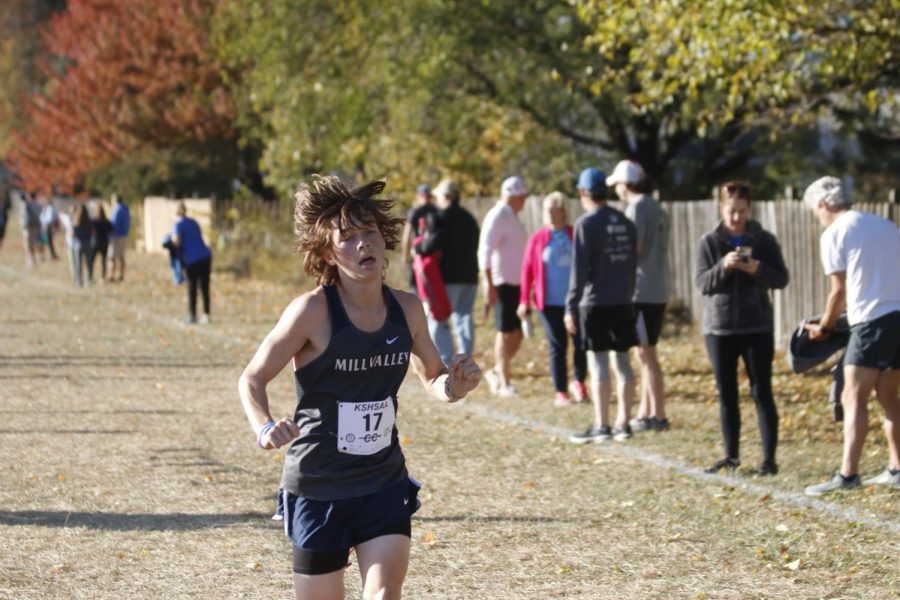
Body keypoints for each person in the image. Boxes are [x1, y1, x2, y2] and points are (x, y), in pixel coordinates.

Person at [237, 175, 481, 600]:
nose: (363, 244)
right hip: (318, 484)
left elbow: (434, 379)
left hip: (382, 480)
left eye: (370, 233)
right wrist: (264, 427)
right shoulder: (311, 312)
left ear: (384, 240)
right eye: (347, 238)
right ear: (327, 252)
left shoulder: (406, 308)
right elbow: (252, 378)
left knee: (384, 594)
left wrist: (456, 386)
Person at [801, 176, 900, 495]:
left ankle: (848, 475)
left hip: (871, 321)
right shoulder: (883, 224)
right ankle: (897, 468)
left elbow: (838, 291)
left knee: (852, 396)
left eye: (815, 211)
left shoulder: (835, 232)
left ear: (823, 204)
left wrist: (825, 328)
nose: (818, 217)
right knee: (888, 396)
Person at [695, 181, 789, 476]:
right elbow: (701, 284)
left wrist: (757, 269)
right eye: (732, 211)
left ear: (750, 210)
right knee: (727, 394)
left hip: (757, 326)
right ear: (722, 209)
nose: (737, 217)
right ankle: (731, 456)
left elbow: (781, 279)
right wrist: (723, 265)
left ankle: (769, 461)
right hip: (719, 329)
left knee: (762, 391)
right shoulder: (710, 242)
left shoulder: (764, 240)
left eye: (742, 211)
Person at [566, 168, 639, 443]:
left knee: (598, 364)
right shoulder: (625, 222)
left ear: (583, 192)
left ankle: (602, 424)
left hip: (595, 304)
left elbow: (579, 271)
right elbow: (633, 266)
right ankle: (623, 423)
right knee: (622, 361)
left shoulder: (586, 224)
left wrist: (570, 306)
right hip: (623, 302)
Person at [608, 160, 672, 432]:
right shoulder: (656, 206)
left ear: (626, 184)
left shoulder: (636, 208)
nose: (616, 190)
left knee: (646, 355)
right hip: (657, 288)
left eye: (618, 185)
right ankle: (646, 411)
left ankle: (657, 415)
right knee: (644, 352)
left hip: (643, 289)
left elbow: (635, 247)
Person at [516, 191, 588, 406]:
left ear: (561, 211)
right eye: (545, 210)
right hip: (547, 303)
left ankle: (579, 382)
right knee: (557, 345)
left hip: (574, 302)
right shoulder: (537, 239)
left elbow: (586, 265)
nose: (546, 214)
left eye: (550, 210)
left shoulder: (575, 234)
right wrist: (523, 301)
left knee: (580, 343)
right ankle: (561, 391)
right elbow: (527, 270)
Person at [413, 179, 480, 364]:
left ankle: (446, 360)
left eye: (439, 196)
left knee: (439, 317)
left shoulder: (442, 216)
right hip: (470, 276)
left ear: (446, 196)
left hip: (448, 278)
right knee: (464, 318)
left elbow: (435, 242)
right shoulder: (469, 217)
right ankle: (466, 359)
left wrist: (417, 248)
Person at [478, 176, 528, 397]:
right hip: (502, 282)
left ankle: (498, 371)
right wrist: (488, 283)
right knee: (504, 332)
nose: (524, 201)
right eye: (521, 197)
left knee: (517, 333)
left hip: (517, 283)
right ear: (513, 196)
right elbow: (485, 250)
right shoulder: (498, 215)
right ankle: (504, 383)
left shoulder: (513, 216)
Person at [172, 202, 213, 324]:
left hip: (192, 259)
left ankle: (192, 315)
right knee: (205, 287)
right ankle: (206, 314)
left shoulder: (178, 224)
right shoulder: (193, 222)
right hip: (205, 256)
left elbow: (176, 242)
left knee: (192, 287)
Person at [400, 184, 436, 291]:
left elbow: (407, 235)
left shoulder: (415, 211)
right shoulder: (435, 210)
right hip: (430, 255)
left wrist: (404, 255)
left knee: (416, 287)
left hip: (420, 254)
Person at [108, 194, 130, 282]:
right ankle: (121, 275)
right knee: (121, 256)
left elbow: (113, 224)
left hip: (116, 236)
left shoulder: (117, 209)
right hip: (124, 235)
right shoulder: (126, 209)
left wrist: (109, 236)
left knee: (111, 256)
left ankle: (111, 275)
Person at [72, 203, 94, 287]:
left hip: (78, 244)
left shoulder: (76, 221)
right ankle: (89, 280)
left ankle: (79, 281)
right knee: (89, 263)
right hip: (88, 243)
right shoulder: (90, 222)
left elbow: (73, 234)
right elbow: (92, 233)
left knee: (78, 263)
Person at [90, 204, 113, 283]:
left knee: (92, 261)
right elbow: (111, 230)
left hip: (95, 242)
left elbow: (91, 232)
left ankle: (90, 276)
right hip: (104, 242)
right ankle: (102, 277)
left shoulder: (94, 221)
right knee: (103, 261)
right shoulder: (106, 221)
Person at [19, 193, 41, 267]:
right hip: (35, 225)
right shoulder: (37, 205)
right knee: (33, 242)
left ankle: (30, 259)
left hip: (27, 226)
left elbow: (23, 216)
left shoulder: (26, 205)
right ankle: (33, 258)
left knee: (27, 243)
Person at [57, 205, 78, 284]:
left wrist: (65, 210)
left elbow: (60, 214)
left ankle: (75, 276)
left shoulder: (69, 219)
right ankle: (76, 276)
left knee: (73, 261)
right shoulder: (76, 219)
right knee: (76, 261)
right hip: (75, 243)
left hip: (72, 243)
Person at [38, 196, 59, 261]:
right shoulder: (46, 208)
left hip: (47, 227)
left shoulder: (51, 208)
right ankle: (47, 255)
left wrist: (43, 221)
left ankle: (50, 255)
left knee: (45, 242)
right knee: (46, 242)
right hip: (45, 227)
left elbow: (49, 219)